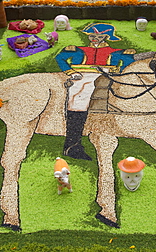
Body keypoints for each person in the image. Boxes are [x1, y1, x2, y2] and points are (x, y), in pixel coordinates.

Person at [55, 23, 136, 160]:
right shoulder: (77, 50)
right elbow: (60, 58)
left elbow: (129, 63)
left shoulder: (116, 52)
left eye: (99, 36)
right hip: (81, 77)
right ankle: (72, 145)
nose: (94, 38)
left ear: (106, 37)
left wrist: (118, 71)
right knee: (77, 101)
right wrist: (71, 72)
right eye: (92, 35)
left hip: (106, 77)